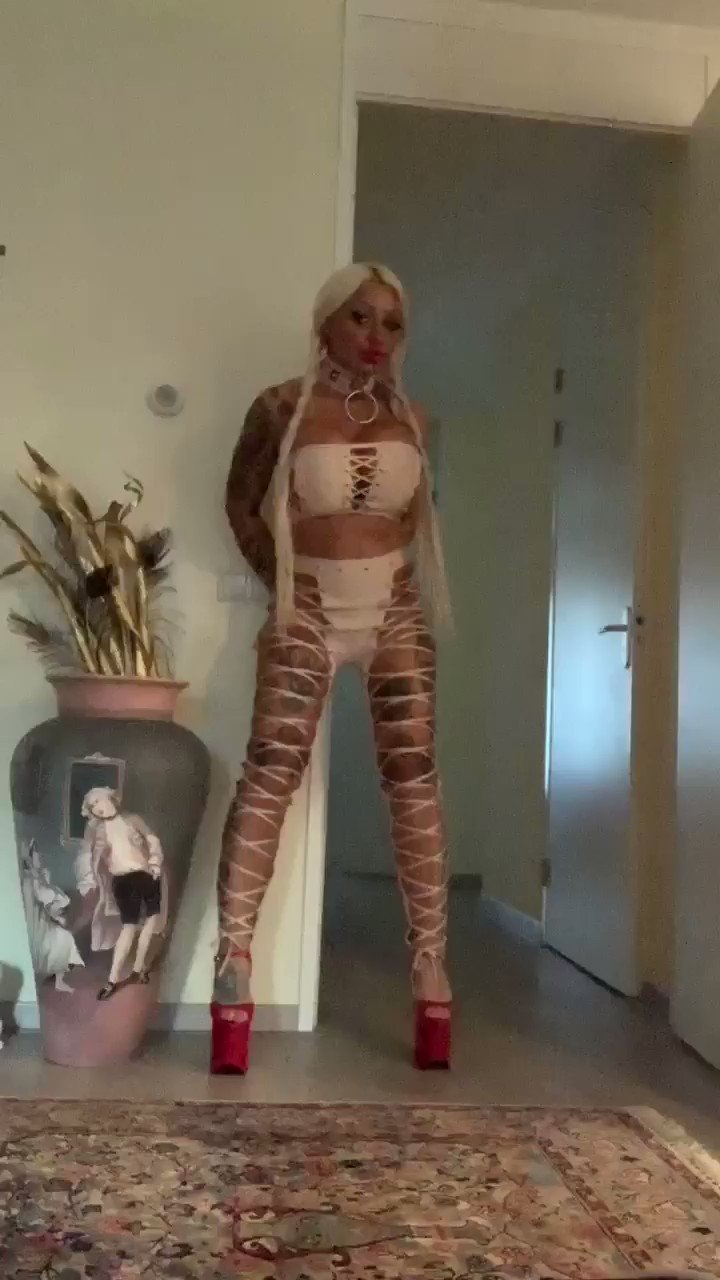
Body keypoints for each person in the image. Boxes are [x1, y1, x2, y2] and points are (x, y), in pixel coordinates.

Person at [213, 263, 452, 1075]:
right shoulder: (279, 408)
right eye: (361, 317)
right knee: (269, 771)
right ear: (326, 321)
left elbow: (409, 523)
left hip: (394, 612)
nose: (377, 337)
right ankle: (233, 964)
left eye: (392, 323)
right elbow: (241, 503)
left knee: (413, 775)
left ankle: (431, 971)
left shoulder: (414, 419)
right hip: (306, 610)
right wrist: (283, 580)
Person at [74, 787, 167, 1000]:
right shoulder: (95, 830)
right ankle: (112, 979)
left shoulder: (132, 819)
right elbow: (86, 854)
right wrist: (88, 878)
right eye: (93, 805)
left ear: (111, 799)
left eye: (99, 801)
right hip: (123, 880)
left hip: (147, 874)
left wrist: (154, 861)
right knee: (129, 926)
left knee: (151, 920)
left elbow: (152, 839)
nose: (98, 807)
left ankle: (138, 968)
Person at [21, 840, 84, 993]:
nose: (40, 857)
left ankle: (59, 980)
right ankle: (55, 976)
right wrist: (57, 915)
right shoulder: (30, 879)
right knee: (60, 938)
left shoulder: (41, 875)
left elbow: (53, 896)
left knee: (63, 936)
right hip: (36, 922)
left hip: (44, 919)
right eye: (36, 855)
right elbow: (45, 899)